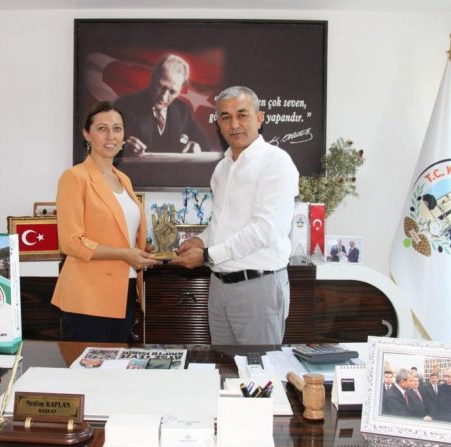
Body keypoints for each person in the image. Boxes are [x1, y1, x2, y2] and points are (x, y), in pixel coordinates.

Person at [170, 85, 299, 345]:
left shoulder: (276, 162)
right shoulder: (222, 168)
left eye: (242, 115)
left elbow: (265, 229)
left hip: (258, 286)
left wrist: (207, 255)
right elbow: (221, 222)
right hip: (219, 285)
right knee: (224, 366)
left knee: (258, 369)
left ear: (259, 118)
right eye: (225, 117)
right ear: (218, 123)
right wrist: (200, 240)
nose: (234, 124)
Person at [51, 101, 159, 342]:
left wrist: (141, 250)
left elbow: (121, 233)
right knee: (89, 366)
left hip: (124, 290)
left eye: (117, 128)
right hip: (88, 295)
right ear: (86, 134)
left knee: (116, 364)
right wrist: (125, 254)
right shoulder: (74, 177)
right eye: (102, 128)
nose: (111, 136)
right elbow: (71, 242)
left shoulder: (123, 179)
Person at [115, 54, 207, 155]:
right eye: (161, 87)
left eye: (172, 91)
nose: (164, 97)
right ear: (153, 78)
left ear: (181, 89)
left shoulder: (182, 110)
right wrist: (124, 147)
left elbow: (204, 143)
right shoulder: (124, 105)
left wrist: (196, 145)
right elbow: (105, 142)